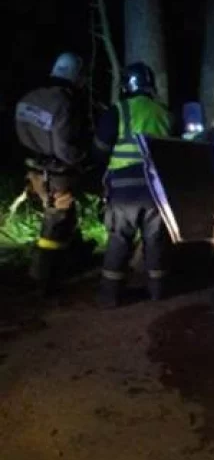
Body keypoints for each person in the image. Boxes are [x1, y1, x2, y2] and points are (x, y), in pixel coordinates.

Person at [92, 61, 170, 308]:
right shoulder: (164, 113)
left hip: (124, 189)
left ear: (126, 86)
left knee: (119, 239)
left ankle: (109, 296)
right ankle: (157, 292)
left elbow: (100, 150)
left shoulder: (118, 111)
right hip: (156, 190)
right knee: (155, 240)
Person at [15, 52, 91, 295]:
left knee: (64, 217)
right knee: (56, 220)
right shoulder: (64, 103)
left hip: (34, 171)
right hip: (57, 173)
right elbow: (64, 148)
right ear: (76, 77)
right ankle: (41, 276)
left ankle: (72, 259)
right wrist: (84, 160)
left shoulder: (28, 98)